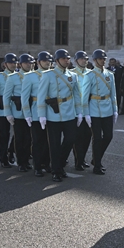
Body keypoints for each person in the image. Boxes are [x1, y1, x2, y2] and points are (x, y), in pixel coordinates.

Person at [37, 49, 82, 182]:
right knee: (54, 144)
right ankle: (56, 171)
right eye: (63, 58)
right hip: (53, 114)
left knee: (70, 139)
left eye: (68, 58)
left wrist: (79, 112)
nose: (66, 60)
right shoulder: (48, 75)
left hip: (69, 113)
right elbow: (41, 96)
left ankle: (59, 164)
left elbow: (77, 95)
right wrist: (42, 115)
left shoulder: (73, 75)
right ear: (56, 61)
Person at [82, 49, 118, 175]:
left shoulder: (110, 74)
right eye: (100, 59)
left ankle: (96, 158)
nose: (103, 61)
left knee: (108, 136)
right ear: (94, 60)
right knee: (97, 138)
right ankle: (97, 164)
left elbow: (113, 94)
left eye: (104, 59)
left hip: (107, 108)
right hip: (94, 109)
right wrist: (86, 113)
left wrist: (115, 110)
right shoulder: (90, 75)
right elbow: (84, 96)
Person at [22, 51, 52, 176]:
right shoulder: (30, 76)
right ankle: (37, 165)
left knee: (49, 140)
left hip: (50, 111)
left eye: (49, 61)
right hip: (35, 112)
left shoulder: (53, 75)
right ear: (39, 62)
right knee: (38, 140)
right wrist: (27, 114)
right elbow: (24, 97)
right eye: (45, 61)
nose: (48, 63)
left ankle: (47, 163)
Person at [2, 54, 33, 171]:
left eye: (31, 63)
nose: (29, 65)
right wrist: (8, 113)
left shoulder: (35, 76)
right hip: (18, 112)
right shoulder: (13, 77)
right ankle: (21, 162)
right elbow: (6, 96)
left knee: (29, 139)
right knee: (20, 138)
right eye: (26, 63)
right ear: (20, 64)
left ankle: (26, 159)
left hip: (31, 112)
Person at [0, 53, 18, 168]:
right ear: (5, 64)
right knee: (4, 135)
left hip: (16, 110)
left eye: (15, 63)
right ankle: (3, 157)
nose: (13, 65)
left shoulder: (19, 76)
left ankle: (11, 150)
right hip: (2, 111)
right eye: (11, 63)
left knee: (19, 135)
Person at [71, 51, 92, 170]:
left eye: (86, 59)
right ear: (76, 61)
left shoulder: (91, 73)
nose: (84, 61)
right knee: (78, 137)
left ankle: (82, 158)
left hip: (89, 109)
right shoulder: (72, 73)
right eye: (81, 59)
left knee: (87, 136)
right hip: (76, 109)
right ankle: (78, 160)